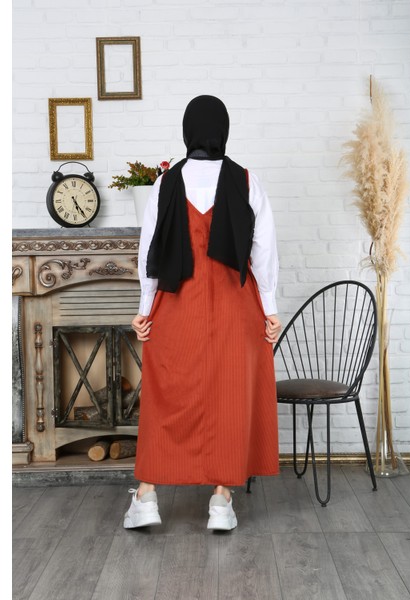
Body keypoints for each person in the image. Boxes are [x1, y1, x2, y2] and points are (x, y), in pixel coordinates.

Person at [124, 95, 282, 531]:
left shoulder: (165, 183)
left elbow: (149, 251)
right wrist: (270, 309)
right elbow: (264, 250)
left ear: (187, 131)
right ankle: (221, 501)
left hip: (177, 303)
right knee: (230, 394)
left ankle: (146, 497)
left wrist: (144, 310)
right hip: (236, 304)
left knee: (167, 396)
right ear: (223, 131)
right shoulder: (247, 180)